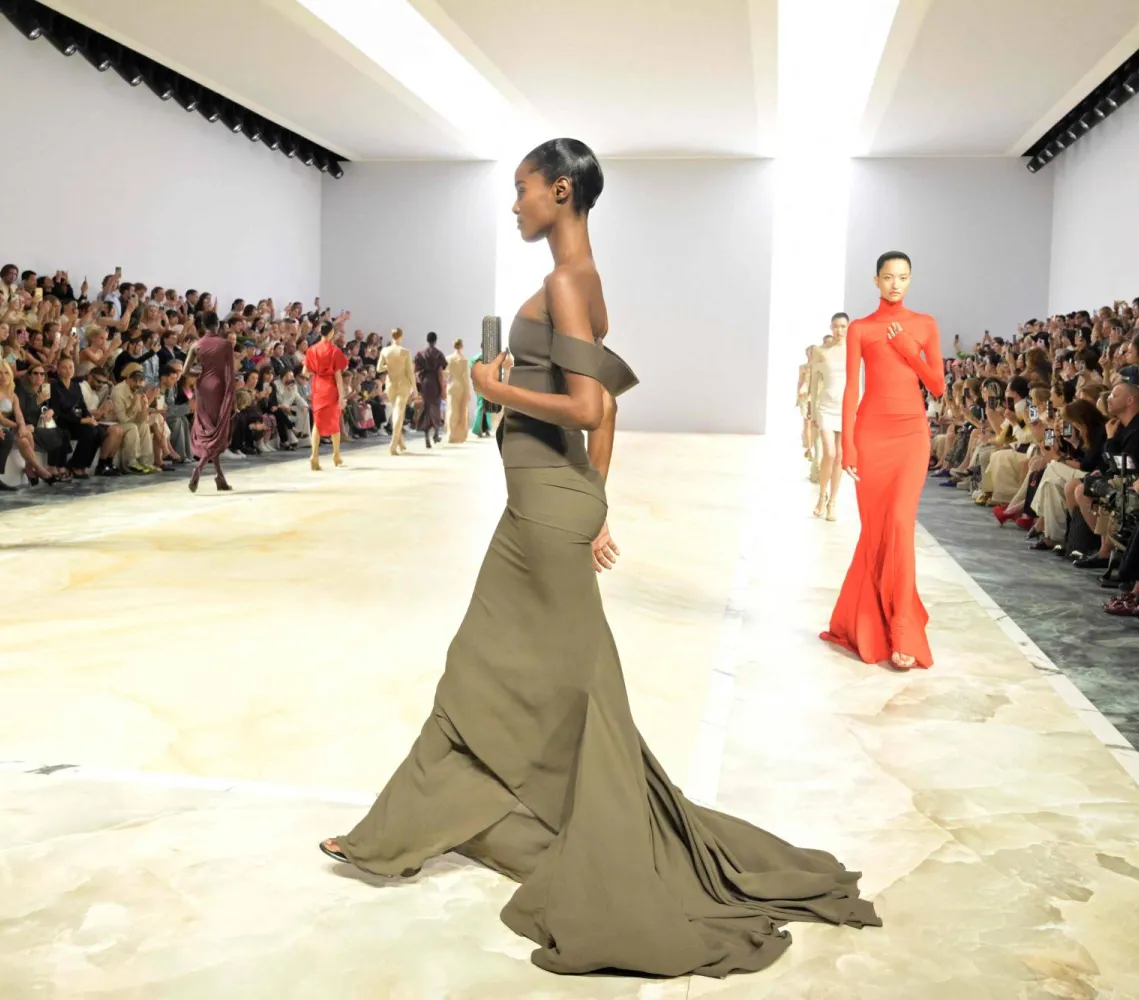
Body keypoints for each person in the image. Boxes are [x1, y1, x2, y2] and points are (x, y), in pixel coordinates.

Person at [319, 138, 878, 979]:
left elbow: (587, 405)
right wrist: (596, 499)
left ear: (560, 191)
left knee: (566, 688)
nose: (513, 204)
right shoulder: (582, 281)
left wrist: (494, 388)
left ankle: (556, 842)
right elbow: (606, 410)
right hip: (544, 509)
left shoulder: (568, 284)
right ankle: (392, 832)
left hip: (545, 513)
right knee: (484, 669)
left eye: (521, 190)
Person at [821, 250, 945, 670]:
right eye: (889, 277)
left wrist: (909, 350)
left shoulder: (924, 325)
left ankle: (903, 630)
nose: (895, 284)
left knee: (900, 526)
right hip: (872, 436)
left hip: (911, 436)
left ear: (910, 280)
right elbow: (851, 391)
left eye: (903, 277)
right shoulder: (861, 328)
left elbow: (938, 386)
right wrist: (849, 446)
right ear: (876, 280)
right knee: (876, 531)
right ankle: (872, 622)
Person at [185, 311, 235, 492]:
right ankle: (198, 469)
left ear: (203, 325)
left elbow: (185, 372)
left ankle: (220, 477)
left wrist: (199, 373)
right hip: (219, 389)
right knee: (217, 433)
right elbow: (230, 374)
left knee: (208, 429)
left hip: (202, 389)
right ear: (217, 324)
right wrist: (232, 399)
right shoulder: (226, 344)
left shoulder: (196, 344)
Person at [809, 313, 849, 520]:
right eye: (835, 326)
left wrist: (858, 409)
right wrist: (813, 411)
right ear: (830, 327)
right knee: (830, 453)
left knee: (840, 456)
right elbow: (814, 383)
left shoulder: (853, 351)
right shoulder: (821, 351)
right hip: (826, 407)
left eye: (843, 326)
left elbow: (858, 382)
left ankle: (832, 502)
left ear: (848, 327)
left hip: (846, 408)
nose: (839, 330)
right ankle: (821, 495)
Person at [304, 319, 347, 470]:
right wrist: (342, 396)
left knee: (318, 422)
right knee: (334, 421)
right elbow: (338, 376)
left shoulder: (312, 349)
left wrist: (317, 373)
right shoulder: (335, 351)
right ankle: (336, 455)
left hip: (317, 387)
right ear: (332, 332)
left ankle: (314, 455)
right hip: (331, 388)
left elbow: (305, 372)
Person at [377, 327, 414, 456]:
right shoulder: (405, 352)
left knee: (396, 411)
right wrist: (415, 389)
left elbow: (379, 368)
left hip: (390, 384)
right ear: (401, 336)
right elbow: (410, 372)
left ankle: (400, 441)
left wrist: (389, 365)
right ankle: (393, 443)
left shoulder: (385, 350)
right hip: (403, 384)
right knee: (398, 412)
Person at [414, 331, 447, 448]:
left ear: (427, 340)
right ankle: (436, 434)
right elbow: (440, 372)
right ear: (435, 340)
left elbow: (416, 371)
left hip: (425, 384)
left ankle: (427, 438)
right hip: (435, 383)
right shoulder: (438, 354)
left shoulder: (420, 354)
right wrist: (443, 388)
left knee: (426, 410)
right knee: (436, 409)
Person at [446, 337, 472, 443]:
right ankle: (460, 435)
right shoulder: (464, 360)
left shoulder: (448, 358)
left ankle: (450, 435)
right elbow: (465, 377)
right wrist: (468, 391)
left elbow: (446, 373)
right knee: (462, 411)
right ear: (461, 346)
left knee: (451, 411)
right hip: (461, 386)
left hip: (451, 385)